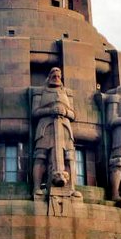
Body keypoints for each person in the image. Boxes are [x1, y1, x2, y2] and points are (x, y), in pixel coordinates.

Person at [32, 67, 76, 195]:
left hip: (64, 128)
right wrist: (50, 110)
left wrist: (65, 111)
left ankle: (72, 187)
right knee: (40, 155)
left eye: (58, 76)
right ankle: (37, 187)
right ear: (49, 76)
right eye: (54, 75)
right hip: (45, 127)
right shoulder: (40, 92)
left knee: (70, 156)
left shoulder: (67, 92)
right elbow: (35, 112)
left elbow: (73, 114)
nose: (56, 78)